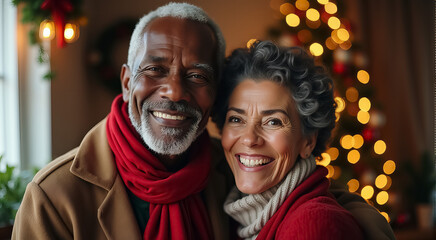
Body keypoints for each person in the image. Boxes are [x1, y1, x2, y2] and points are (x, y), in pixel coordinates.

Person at [12, 2, 394, 240]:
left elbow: (315, 198)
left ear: (214, 96)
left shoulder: (229, 168)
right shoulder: (54, 197)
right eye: (156, 69)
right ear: (128, 81)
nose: (175, 92)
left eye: (197, 76)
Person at [211, 41, 388, 239]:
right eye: (236, 119)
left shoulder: (314, 226)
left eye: (273, 122)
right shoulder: (232, 218)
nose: (250, 138)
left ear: (308, 142)